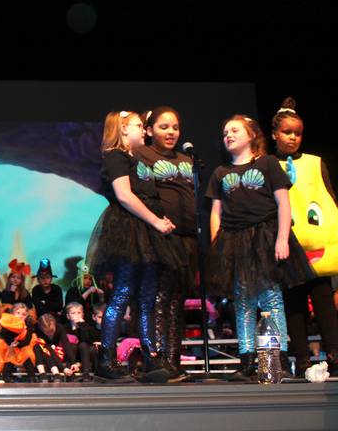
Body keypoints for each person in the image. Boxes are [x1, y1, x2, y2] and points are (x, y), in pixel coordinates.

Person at [206, 114, 314, 381]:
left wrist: (281, 238)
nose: (228, 135)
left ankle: (276, 359)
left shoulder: (267, 164)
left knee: (271, 298)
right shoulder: (221, 172)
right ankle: (247, 360)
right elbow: (215, 213)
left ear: (252, 135)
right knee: (243, 301)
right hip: (234, 241)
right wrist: (216, 245)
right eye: (225, 133)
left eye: (234, 130)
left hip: (264, 237)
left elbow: (283, 203)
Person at [86, 110, 183, 382]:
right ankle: (106, 358)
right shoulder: (115, 156)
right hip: (132, 229)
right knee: (124, 292)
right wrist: (155, 221)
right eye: (139, 125)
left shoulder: (136, 159)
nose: (144, 130)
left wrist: (159, 219)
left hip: (147, 229)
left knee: (147, 297)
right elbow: (125, 195)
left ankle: (150, 357)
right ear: (123, 129)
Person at [271, 98, 338, 376]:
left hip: (315, 248)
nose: (293, 137)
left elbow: (328, 200)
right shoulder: (266, 164)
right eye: (287, 132)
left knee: (324, 300)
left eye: (297, 133)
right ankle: (302, 359)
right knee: (294, 304)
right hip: (287, 246)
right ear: (274, 134)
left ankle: (334, 356)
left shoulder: (315, 163)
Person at [135, 106, 198, 382]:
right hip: (160, 235)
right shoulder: (142, 155)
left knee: (177, 300)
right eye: (164, 127)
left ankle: (174, 360)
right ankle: (157, 360)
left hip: (186, 238)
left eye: (175, 127)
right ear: (149, 131)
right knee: (159, 297)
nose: (171, 132)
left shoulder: (187, 159)